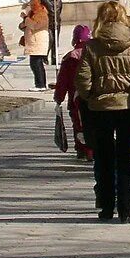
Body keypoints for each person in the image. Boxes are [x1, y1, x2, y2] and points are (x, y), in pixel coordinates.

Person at [76, 1, 130, 223]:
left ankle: (106, 206)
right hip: (129, 106)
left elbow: (82, 79)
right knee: (126, 154)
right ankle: (126, 209)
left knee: (103, 157)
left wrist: (91, 96)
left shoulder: (91, 47)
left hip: (100, 107)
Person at [54, 23, 93, 161]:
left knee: (79, 124)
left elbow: (63, 80)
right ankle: (94, 148)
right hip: (95, 96)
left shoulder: (70, 57)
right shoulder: (97, 53)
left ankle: (82, 149)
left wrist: (59, 97)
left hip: (76, 98)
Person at [19, 0, 50, 90]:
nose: (32, 7)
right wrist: (24, 21)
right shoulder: (31, 13)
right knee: (34, 63)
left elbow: (35, 25)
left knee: (36, 63)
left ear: (39, 4)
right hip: (32, 42)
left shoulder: (42, 14)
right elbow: (22, 26)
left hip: (38, 42)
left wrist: (26, 18)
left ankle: (40, 85)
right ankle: (39, 84)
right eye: (31, 5)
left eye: (34, 5)